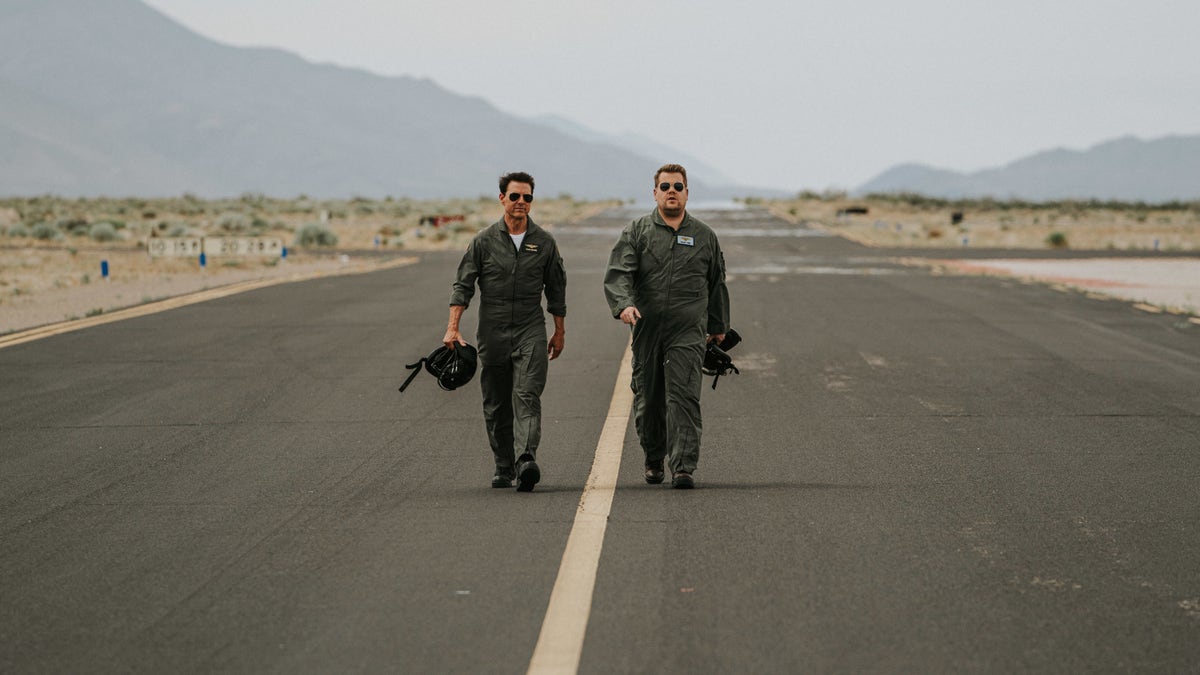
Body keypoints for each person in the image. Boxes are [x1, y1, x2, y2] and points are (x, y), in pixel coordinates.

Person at [603, 163, 730, 489]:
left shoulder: (704, 237)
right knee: (648, 399)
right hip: (647, 328)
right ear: (655, 193)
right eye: (665, 187)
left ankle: (683, 466)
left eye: (677, 186)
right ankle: (654, 457)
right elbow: (620, 273)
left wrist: (718, 325)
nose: (671, 191)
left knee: (684, 396)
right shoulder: (637, 231)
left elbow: (716, 283)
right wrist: (624, 304)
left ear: (687, 193)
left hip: (687, 330)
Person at [445, 171, 567, 492]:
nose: (521, 203)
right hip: (493, 331)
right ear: (502, 198)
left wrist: (559, 331)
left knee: (526, 394)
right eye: (515, 196)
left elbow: (556, 289)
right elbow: (463, 286)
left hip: (530, 328)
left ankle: (525, 458)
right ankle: (503, 464)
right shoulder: (483, 242)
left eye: (527, 197)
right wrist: (452, 328)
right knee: (497, 402)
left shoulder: (544, 242)